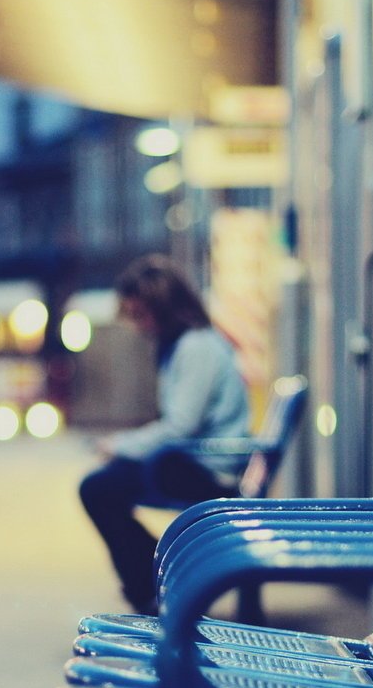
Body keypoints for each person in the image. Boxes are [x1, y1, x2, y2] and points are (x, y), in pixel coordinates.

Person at [79, 255, 250, 614]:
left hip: (209, 469)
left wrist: (120, 446)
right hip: (197, 460)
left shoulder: (195, 347)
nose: (138, 326)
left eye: (141, 315)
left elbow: (180, 426)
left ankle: (155, 580)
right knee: (102, 487)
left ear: (165, 307)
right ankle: (157, 578)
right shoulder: (186, 345)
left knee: (97, 489)